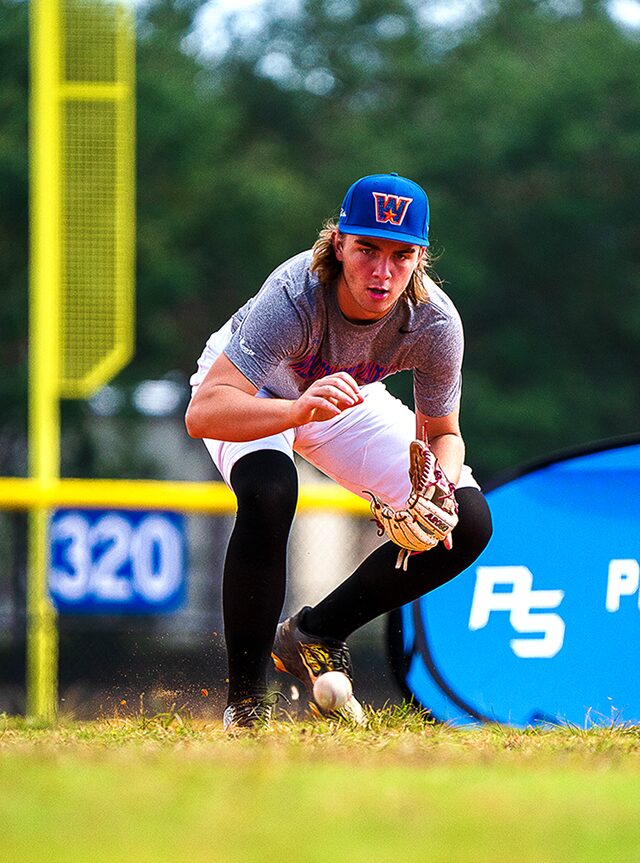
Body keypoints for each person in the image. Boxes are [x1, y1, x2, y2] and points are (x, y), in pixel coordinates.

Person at [185, 172, 493, 730]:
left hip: (344, 395)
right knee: (270, 490)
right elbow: (205, 411)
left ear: (419, 257)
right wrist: (296, 411)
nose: (382, 272)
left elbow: (442, 433)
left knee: (466, 521)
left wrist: (438, 487)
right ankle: (248, 704)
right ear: (338, 245)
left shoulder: (434, 320)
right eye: (367, 249)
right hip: (252, 392)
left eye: (402, 255)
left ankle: (316, 632)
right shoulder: (297, 291)